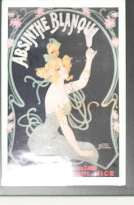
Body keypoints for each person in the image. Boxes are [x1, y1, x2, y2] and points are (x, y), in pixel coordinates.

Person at [29, 31, 99, 161]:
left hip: (53, 136)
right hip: (45, 141)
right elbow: (65, 127)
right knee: (90, 152)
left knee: (91, 150)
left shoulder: (62, 87)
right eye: (60, 68)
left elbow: (81, 83)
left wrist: (89, 60)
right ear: (55, 73)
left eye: (63, 65)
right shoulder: (55, 95)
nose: (65, 69)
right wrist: (79, 152)